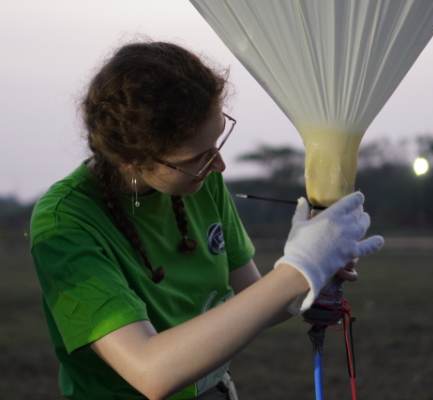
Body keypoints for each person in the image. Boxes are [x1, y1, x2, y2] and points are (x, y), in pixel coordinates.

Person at [30, 41, 384, 400]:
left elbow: (250, 299)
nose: (218, 165)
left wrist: (310, 279)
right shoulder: (65, 223)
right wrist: (295, 271)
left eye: (219, 140)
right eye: (198, 155)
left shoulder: (198, 181)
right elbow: (150, 371)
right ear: (129, 158)